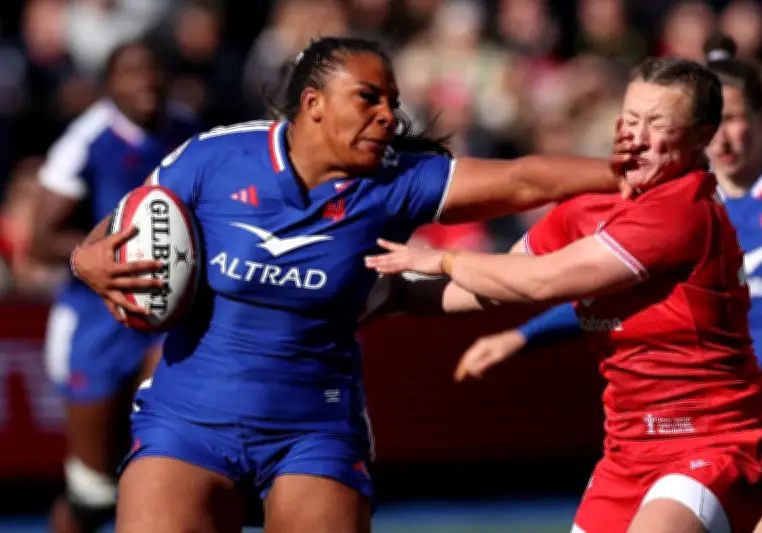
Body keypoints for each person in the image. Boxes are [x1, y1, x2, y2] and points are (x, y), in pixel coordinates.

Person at [69, 36, 646, 533]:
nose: (389, 115)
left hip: (312, 428)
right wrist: (85, 262)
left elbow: (521, 179)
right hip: (185, 420)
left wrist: (619, 174)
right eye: (369, 97)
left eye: (393, 102)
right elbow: (117, 228)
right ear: (314, 104)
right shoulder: (215, 156)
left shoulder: (397, 182)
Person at [365, 55, 762, 533]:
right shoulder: (588, 206)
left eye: (657, 123)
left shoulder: (681, 209)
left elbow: (542, 280)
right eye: (629, 117)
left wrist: (441, 258)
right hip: (627, 450)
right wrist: (392, 296)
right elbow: (497, 285)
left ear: (701, 136)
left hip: (712, 442)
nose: (636, 136)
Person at [29, 41, 202, 533]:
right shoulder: (85, 141)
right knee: (92, 492)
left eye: (154, 70)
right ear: (109, 85)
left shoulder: (189, 131)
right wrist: (106, 256)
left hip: (165, 318)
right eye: (131, 73)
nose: (145, 81)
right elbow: (40, 239)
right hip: (93, 325)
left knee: (171, 463)